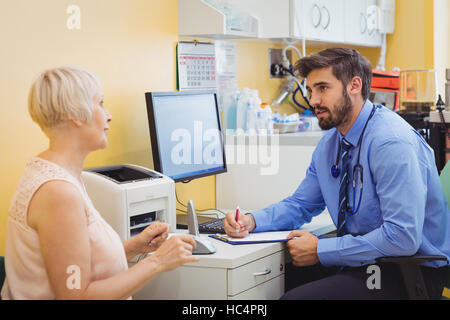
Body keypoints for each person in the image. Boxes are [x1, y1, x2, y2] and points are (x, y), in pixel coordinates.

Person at [224, 48, 450, 300]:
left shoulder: (391, 143)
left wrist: (321, 249)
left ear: (354, 85)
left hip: (405, 269)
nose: (313, 101)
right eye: (310, 90)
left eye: (322, 88)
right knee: (272, 284)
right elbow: (301, 204)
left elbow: (402, 237)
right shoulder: (331, 143)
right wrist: (252, 220)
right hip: (364, 260)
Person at [1, 66, 199, 300]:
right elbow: (75, 295)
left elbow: (75, 267)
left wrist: (135, 246)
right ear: (76, 115)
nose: (109, 115)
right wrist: (157, 262)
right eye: (101, 103)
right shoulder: (57, 192)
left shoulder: (58, 174)